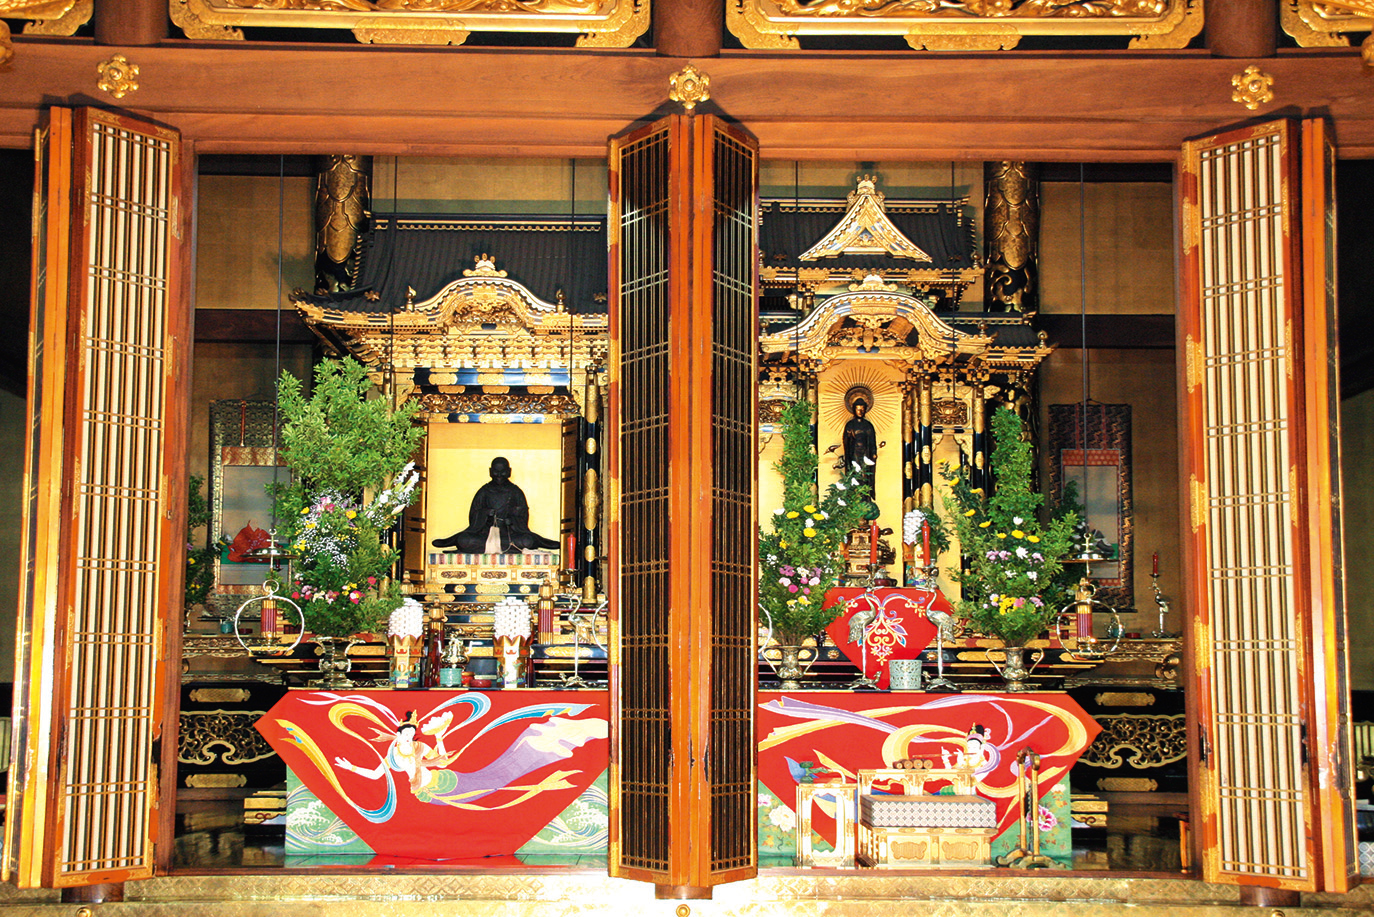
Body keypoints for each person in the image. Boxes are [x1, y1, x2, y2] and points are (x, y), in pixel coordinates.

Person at [432, 456, 559, 553]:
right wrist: (485, 513)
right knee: (464, 540)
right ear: (490, 471)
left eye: (503, 471)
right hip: (486, 534)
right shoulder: (484, 491)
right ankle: (459, 543)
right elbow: (474, 514)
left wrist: (512, 521)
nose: (499, 475)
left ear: (509, 472)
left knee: (527, 541)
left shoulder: (515, 492)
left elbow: (523, 516)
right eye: (496, 471)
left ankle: (490, 548)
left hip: (509, 535)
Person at [842, 397, 878, 497]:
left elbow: (872, 441)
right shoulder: (850, 425)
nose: (860, 411)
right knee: (855, 473)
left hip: (866, 452)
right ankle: (854, 496)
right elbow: (846, 441)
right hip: (854, 452)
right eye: (858, 409)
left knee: (865, 474)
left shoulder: (868, 425)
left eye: (862, 409)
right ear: (854, 410)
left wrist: (874, 453)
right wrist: (849, 436)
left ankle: (865, 496)